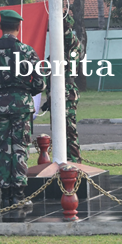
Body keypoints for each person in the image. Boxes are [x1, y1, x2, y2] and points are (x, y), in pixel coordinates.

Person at [0, 9, 46, 208]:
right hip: (21, 105)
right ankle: (18, 194)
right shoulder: (27, 51)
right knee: (19, 148)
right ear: (18, 26)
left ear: (1, 26)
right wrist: (27, 90)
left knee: (4, 149)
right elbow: (40, 83)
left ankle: (5, 195)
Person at [41, 12, 84, 163]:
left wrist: (60, 14)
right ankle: (62, 161)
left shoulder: (72, 44)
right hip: (57, 92)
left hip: (67, 92)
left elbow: (67, 34)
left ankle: (73, 163)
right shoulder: (58, 46)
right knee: (59, 131)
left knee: (68, 130)